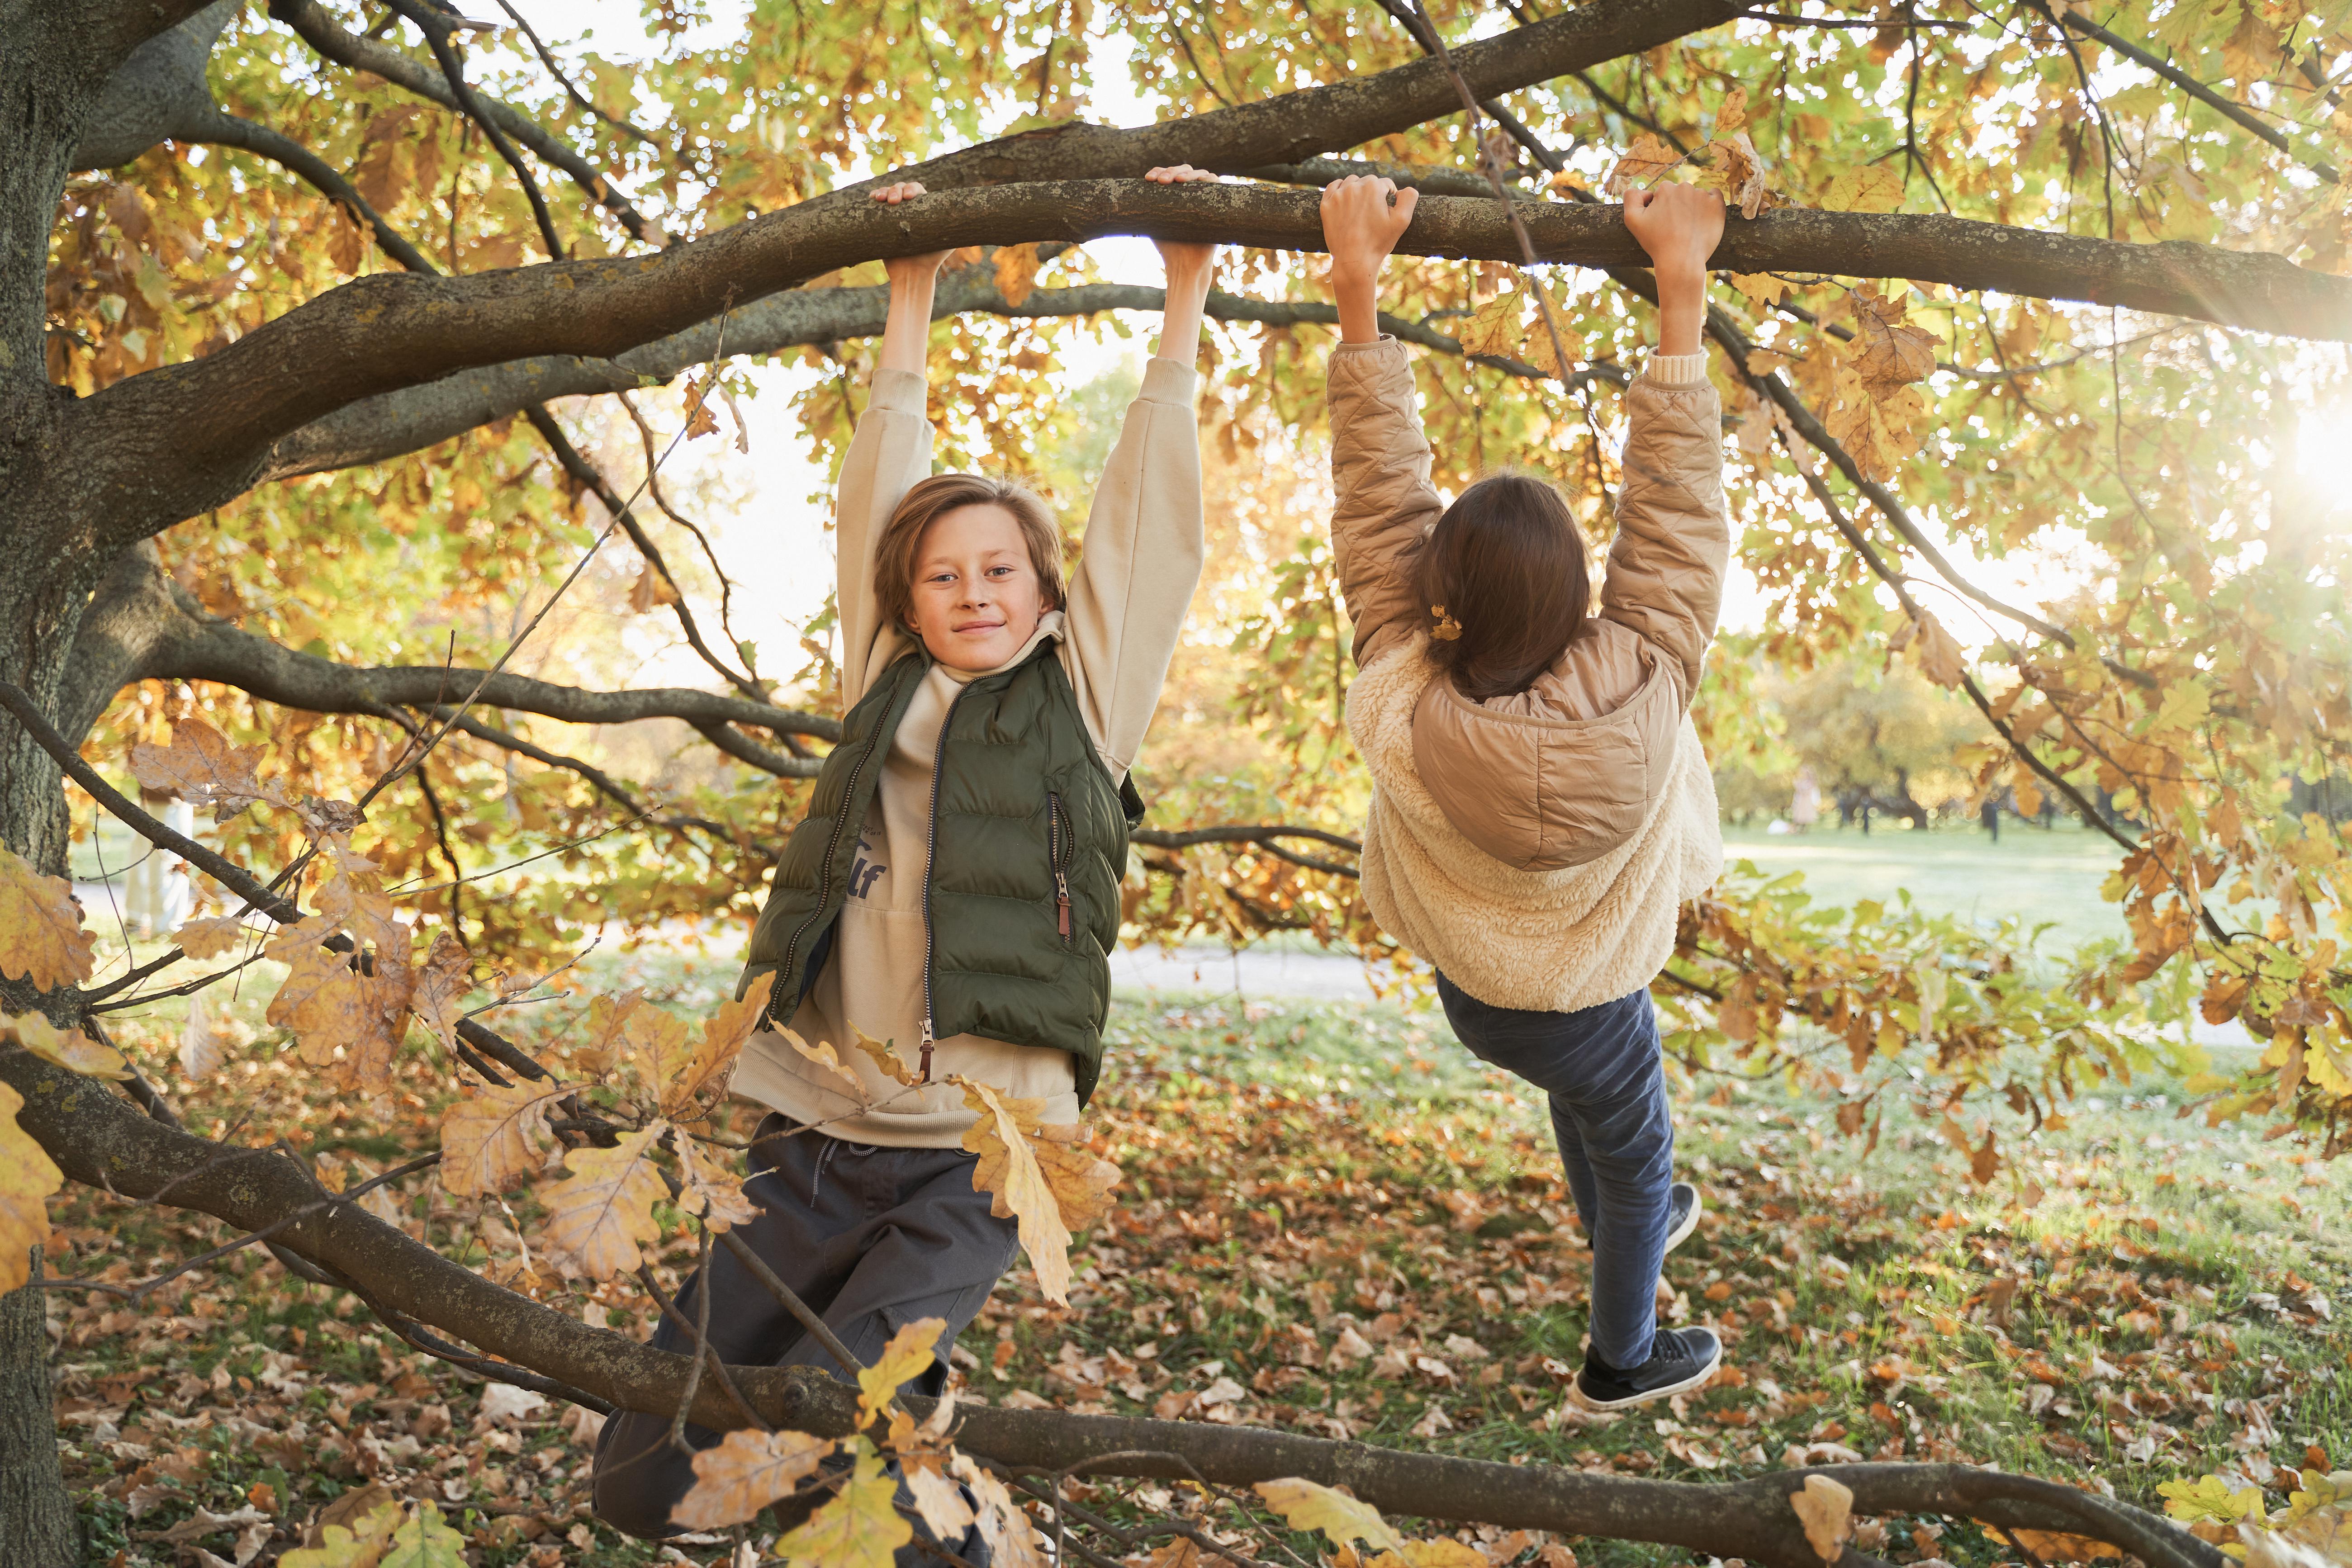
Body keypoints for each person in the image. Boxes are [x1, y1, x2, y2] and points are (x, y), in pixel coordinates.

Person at [594, 166, 1218, 1542]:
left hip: (971, 1157)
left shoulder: (1086, 699)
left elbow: (1148, 532)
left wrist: (1182, 296)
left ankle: (953, 1538)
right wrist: (910, 295)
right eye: (944, 575)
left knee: (842, 1404)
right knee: (641, 1471)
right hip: (811, 1134)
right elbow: (876, 490)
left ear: (1046, 593)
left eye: (1001, 569)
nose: (973, 591)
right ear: (908, 602)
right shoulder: (882, 680)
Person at [1318, 175, 1731, 1411]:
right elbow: (1676, 516)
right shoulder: (1645, 667)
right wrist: (1681, 289)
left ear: (1438, 597)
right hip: (1591, 987)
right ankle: (1624, 1355)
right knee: (1635, 1137)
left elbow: (1377, 498)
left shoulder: (1401, 684)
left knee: (1594, 1113)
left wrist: (1358, 292)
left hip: (1483, 994)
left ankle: (1628, 1217)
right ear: (1577, 604)